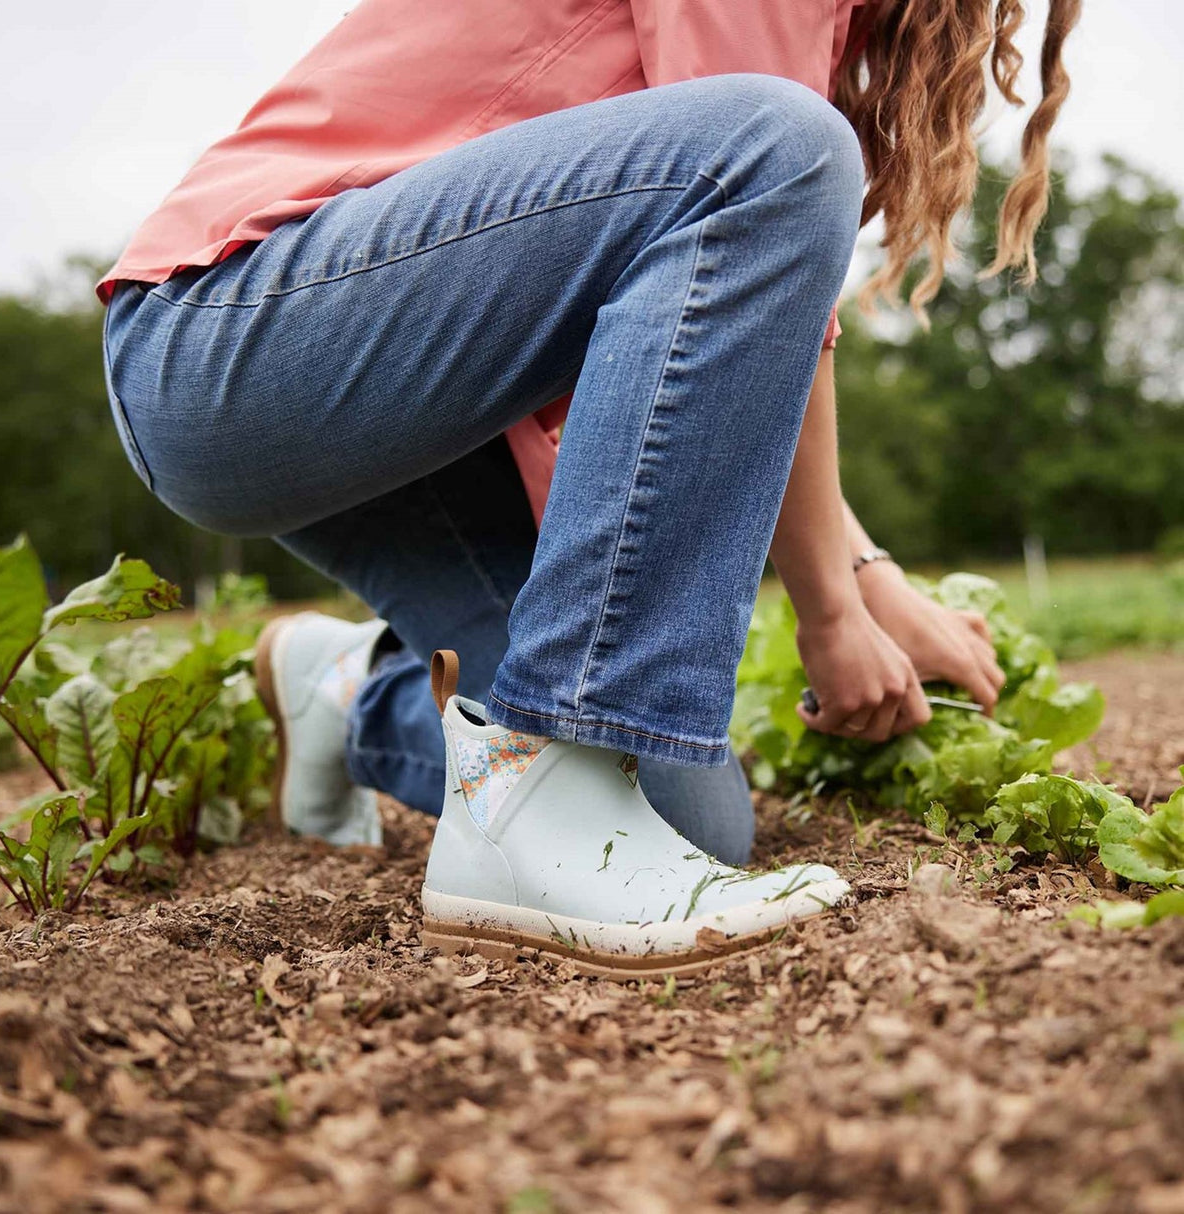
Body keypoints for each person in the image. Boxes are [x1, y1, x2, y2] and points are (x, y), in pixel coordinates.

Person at [99, 0, 1080, 977]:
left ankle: (346, 691)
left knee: (668, 810)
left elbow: (736, 336)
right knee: (780, 147)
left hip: (436, 414)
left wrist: (870, 580)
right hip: (237, 332)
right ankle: (536, 788)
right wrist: (832, 604)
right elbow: (759, 186)